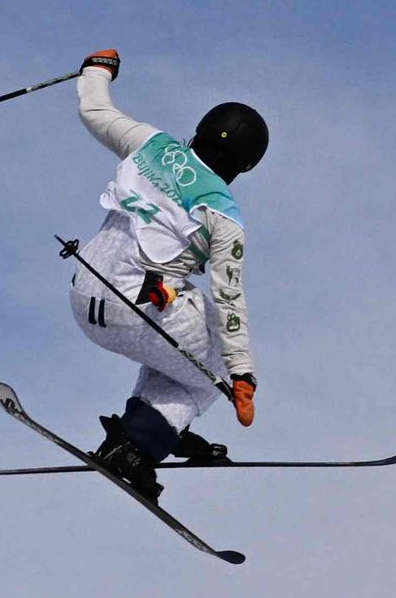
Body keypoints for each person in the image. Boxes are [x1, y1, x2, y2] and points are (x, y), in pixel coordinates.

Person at [62, 48, 267, 492]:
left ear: (199, 132)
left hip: (83, 292)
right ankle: (139, 443)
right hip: (135, 310)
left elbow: (95, 109)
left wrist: (97, 69)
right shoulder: (223, 213)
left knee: (182, 354)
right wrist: (243, 373)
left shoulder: (153, 145)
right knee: (212, 372)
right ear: (246, 166)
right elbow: (230, 298)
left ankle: (152, 426)